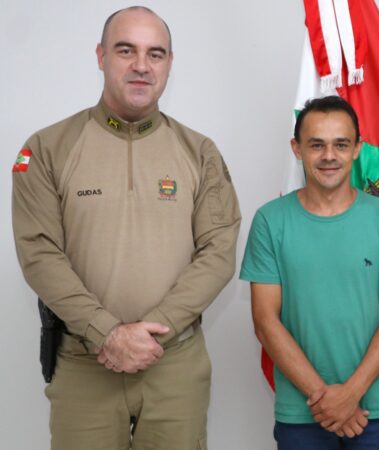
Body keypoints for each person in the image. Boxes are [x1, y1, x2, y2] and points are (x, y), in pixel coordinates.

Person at [11, 6, 241, 449]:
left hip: (174, 365)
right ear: (100, 56)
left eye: (155, 54)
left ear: (170, 63)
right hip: (84, 364)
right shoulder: (45, 148)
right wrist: (108, 333)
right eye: (125, 50)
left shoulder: (200, 152)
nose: (141, 65)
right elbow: (39, 254)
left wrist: (151, 332)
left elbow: (219, 251)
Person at [241, 95, 379, 449]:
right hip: (303, 410)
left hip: (373, 408)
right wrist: (326, 398)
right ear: (297, 148)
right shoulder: (270, 221)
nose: (329, 156)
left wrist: (351, 395)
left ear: (357, 148)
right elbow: (265, 321)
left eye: (340, 144)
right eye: (316, 145)